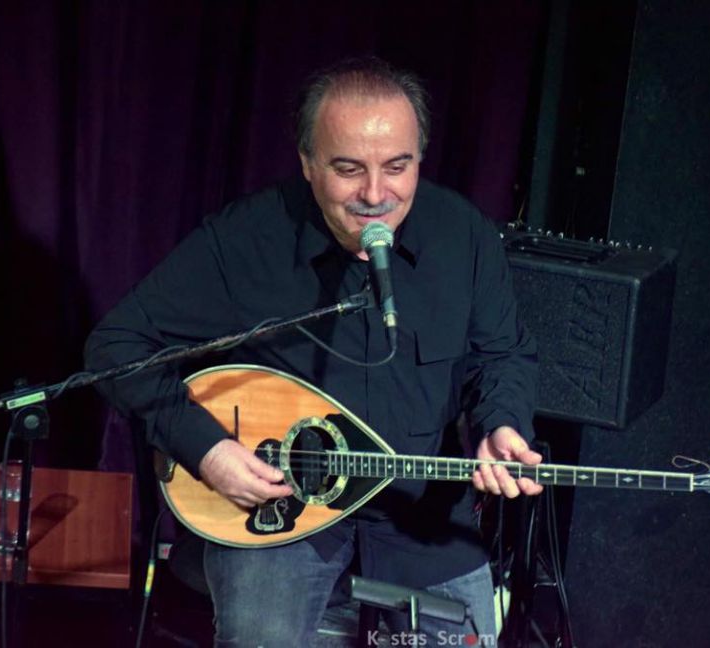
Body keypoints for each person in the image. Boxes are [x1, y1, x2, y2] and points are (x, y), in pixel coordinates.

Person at [85, 56, 541, 646]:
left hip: (420, 514)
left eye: (397, 167)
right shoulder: (247, 239)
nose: (375, 194)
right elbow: (116, 345)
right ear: (307, 162)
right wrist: (207, 449)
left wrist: (502, 422)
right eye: (348, 169)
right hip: (277, 519)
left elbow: (503, 354)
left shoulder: (465, 235)